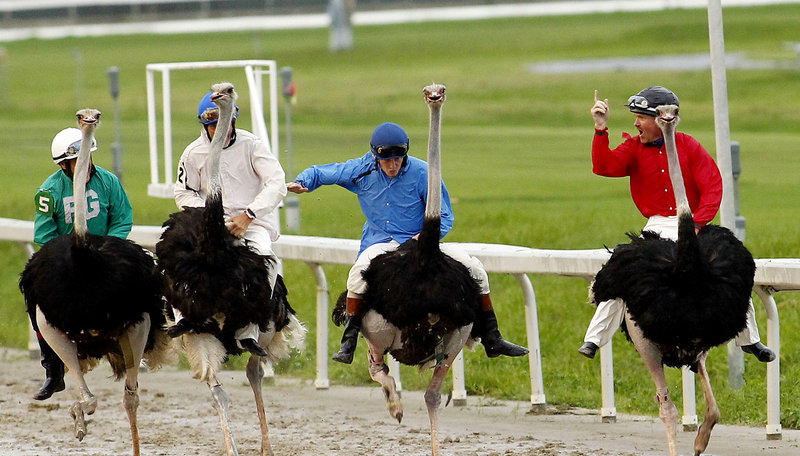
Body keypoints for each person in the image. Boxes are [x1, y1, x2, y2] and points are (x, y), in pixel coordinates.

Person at [288, 121, 528, 364]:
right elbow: (322, 172)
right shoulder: (361, 169)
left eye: (398, 159)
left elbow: (445, 216)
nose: (393, 166)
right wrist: (303, 182)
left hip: (420, 241)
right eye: (387, 160)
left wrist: (420, 239)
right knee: (358, 272)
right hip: (381, 244)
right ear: (375, 156)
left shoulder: (424, 173)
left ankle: (492, 336)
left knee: (474, 268)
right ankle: (348, 341)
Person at [579, 86, 774, 363]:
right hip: (657, 226)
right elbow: (605, 166)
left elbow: (712, 185)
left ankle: (749, 338)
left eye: (640, 118)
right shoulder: (634, 147)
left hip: (692, 223)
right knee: (623, 273)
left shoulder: (689, 145)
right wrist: (601, 129)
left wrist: (696, 225)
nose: (635, 124)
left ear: (659, 120)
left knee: (728, 271)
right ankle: (595, 338)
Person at [172, 88, 288, 355]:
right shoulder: (192, 153)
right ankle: (183, 315)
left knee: (266, 258)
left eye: (223, 124)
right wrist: (209, 214)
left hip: (252, 223)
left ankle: (250, 327)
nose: (219, 131)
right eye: (212, 126)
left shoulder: (253, 145)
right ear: (205, 126)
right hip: (209, 223)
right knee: (178, 257)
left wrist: (249, 215)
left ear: (233, 120)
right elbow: (182, 191)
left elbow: (276, 182)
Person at [31, 127, 134, 400]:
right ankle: (53, 370)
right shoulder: (48, 191)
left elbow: (123, 218)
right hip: (66, 259)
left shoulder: (109, 181)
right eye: (79, 161)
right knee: (31, 290)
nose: (86, 165)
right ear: (64, 165)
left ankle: (150, 339)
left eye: (88, 158)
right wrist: (66, 257)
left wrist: (108, 249)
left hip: (106, 254)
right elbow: (43, 234)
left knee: (146, 273)